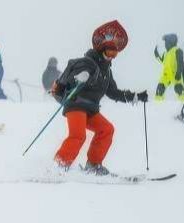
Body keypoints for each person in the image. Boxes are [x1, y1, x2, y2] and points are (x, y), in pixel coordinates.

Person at [50, 21, 148, 174]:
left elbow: (113, 92)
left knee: (106, 130)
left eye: (115, 54)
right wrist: (80, 77)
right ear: (102, 49)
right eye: (110, 52)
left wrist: (135, 96)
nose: (112, 57)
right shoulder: (88, 62)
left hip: (91, 109)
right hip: (76, 104)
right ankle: (59, 166)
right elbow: (74, 74)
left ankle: (93, 165)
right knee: (78, 136)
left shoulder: (106, 71)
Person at [153, 33, 184, 101]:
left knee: (179, 89)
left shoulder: (177, 50)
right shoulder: (166, 53)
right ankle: (157, 103)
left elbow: (180, 62)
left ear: (171, 42)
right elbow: (162, 61)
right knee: (160, 90)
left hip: (175, 74)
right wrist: (156, 54)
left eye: (166, 42)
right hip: (166, 75)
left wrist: (178, 73)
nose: (165, 44)